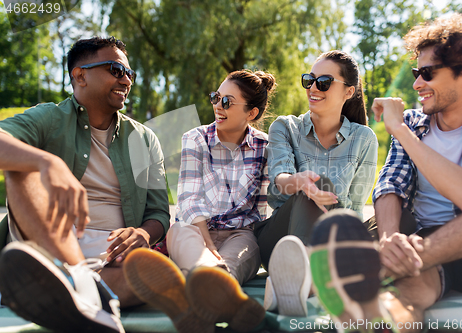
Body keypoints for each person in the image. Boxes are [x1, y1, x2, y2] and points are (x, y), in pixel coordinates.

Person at [309, 11, 462, 333]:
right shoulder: (413, 122)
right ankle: (379, 318)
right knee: (410, 293)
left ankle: (362, 272)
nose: (416, 84)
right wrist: (389, 240)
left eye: (427, 73)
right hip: (420, 245)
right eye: (415, 72)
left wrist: (400, 130)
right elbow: (390, 184)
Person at [0, 36, 170, 333]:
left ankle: (81, 296)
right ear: (80, 75)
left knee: (155, 274)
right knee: (20, 167)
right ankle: (76, 283)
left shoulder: (144, 139)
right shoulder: (49, 118)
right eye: (116, 70)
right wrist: (46, 162)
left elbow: (159, 213)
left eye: (130, 73)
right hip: (48, 244)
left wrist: (142, 233)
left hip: (110, 257)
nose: (126, 80)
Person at [123, 70, 276, 333]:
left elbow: (261, 206)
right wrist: (206, 242)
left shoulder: (265, 146)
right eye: (216, 97)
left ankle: (185, 297)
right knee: (195, 249)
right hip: (193, 228)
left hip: (240, 235)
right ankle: (214, 291)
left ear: (251, 113)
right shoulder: (195, 138)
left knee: (228, 267)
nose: (218, 106)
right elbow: (189, 199)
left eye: (227, 101)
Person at [254, 50, 378, 316]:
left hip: (331, 244)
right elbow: (280, 179)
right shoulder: (284, 127)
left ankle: (298, 285)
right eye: (309, 80)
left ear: (348, 92)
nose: (313, 88)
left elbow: (354, 209)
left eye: (323, 82)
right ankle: (307, 282)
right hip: (279, 241)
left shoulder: (364, 139)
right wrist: (299, 182)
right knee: (315, 187)